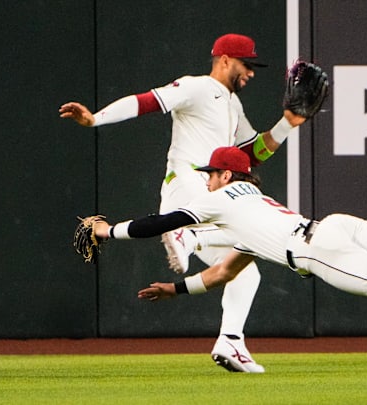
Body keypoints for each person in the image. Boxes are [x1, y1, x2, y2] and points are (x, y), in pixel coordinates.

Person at [84, 146, 367, 346]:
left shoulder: (219, 200)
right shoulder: (252, 203)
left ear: (226, 175)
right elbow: (223, 271)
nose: (206, 179)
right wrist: (176, 289)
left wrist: (110, 232)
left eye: (211, 172)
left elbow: (161, 222)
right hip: (331, 228)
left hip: (318, 250)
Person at [60, 33, 308, 373]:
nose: (251, 72)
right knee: (236, 228)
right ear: (224, 60)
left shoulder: (232, 104)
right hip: (189, 183)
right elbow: (146, 101)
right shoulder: (197, 87)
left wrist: (287, 124)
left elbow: (250, 157)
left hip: (210, 193)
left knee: (245, 273)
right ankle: (187, 236)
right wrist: (95, 119)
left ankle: (230, 342)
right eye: (246, 64)